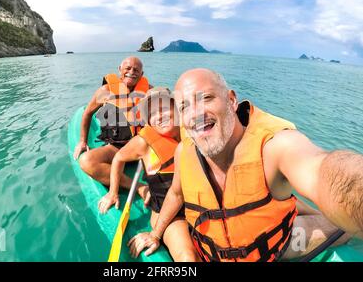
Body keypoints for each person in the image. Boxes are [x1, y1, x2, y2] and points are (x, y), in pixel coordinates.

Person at [127, 68, 362, 262]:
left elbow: (327, 172)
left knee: (344, 227)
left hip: (278, 246)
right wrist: (155, 234)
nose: (195, 113)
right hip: (210, 251)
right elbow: (176, 194)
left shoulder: (273, 145)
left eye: (206, 98)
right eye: (184, 106)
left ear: (231, 100)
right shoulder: (185, 151)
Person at [97, 87, 201, 261]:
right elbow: (118, 159)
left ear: (177, 108)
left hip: (200, 206)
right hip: (169, 216)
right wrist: (113, 192)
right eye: (152, 113)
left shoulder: (195, 135)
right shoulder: (143, 142)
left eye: (164, 108)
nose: (159, 116)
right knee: (188, 257)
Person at [74, 57, 152, 199]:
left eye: (136, 70)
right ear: (120, 69)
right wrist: (82, 141)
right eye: (128, 68)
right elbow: (87, 114)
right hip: (116, 147)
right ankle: (139, 187)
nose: (131, 72)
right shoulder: (105, 91)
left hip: (142, 147)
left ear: (141, 74)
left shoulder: (149, 91)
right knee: (86, 161)